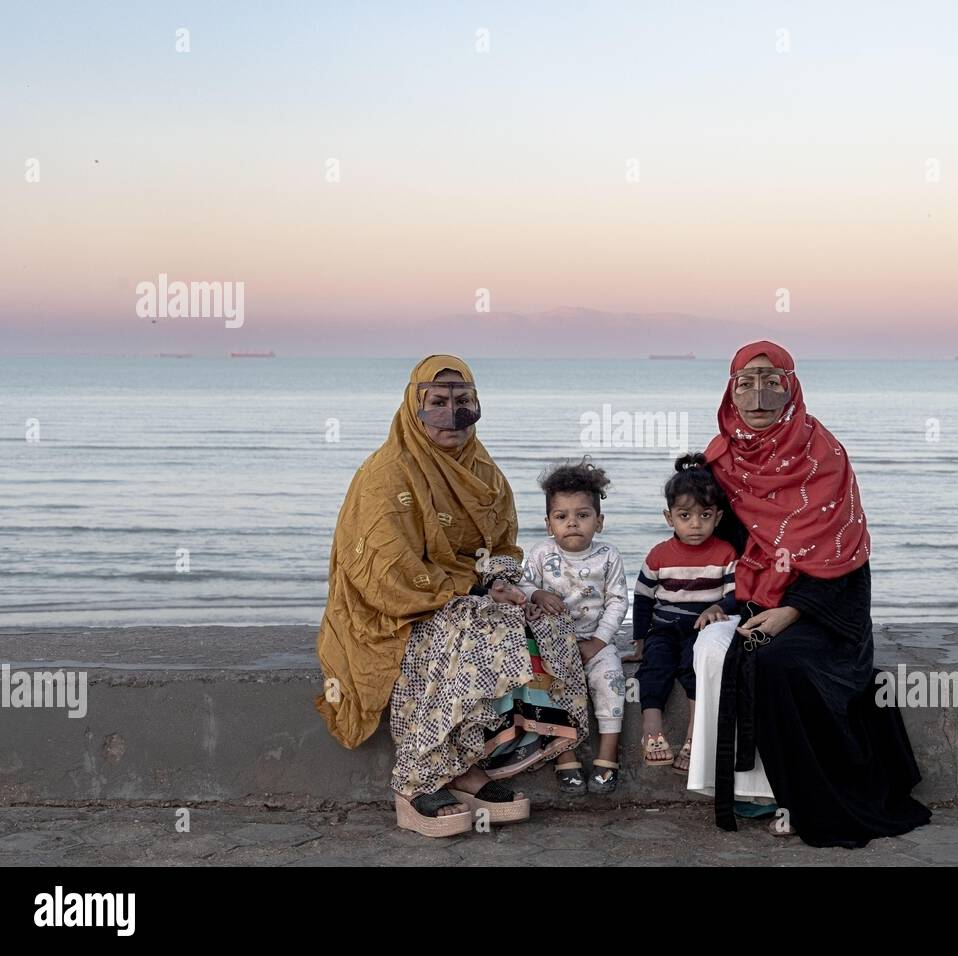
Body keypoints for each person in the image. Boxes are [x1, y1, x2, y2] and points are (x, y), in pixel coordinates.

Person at [315, 355, 589, 837]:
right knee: (475, 628)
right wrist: (470, 588)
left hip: (467, 590)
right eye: (438, 403)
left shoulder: (483, 470)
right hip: (398, 606)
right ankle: (416, 779)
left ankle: (466, 764)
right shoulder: (386, 477)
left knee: (541, 621)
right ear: (413, 407)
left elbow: (502, 546)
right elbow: (386, 572)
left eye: (464, 402)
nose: (453, 415)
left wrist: (505, 583)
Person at [686, 340, 932, 848]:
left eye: (770, 381)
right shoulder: (718, 461)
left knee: (781, 665)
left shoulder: (824, 457)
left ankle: (797, 796)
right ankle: (746, 790)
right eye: (744, 383)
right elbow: (712, 542)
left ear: (791, 386)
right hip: (754, 597)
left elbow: (846, 558)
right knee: (720, 650)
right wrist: (722, 601)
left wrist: (792, 612)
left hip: (825, 610)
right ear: (730, 391)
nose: (757, 396)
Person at [519, 459, 629, 794]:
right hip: (553, 643)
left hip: (596, 640)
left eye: (583, 515)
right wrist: (536, 592)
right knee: (550, 687)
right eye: (561, 516)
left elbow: (618, 602)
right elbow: (522, 587)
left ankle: (607, 756)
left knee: (611, 682)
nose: (572, 523)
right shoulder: (540, 554)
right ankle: (564, 755)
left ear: (599, 521)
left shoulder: (608, 556)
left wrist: (598, 642)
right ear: (549, 523)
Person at [633, 452, 738, 773]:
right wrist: (639, 641)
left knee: (694, 673)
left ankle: (693, 739)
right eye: (685, 516)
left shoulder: (725, 553)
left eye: (705, 515)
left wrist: (718, 607)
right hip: (664, 631)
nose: (695, 524)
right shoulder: (659, 555)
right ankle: (652, 733)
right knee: (654, 670)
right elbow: (643, 599)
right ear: (670, 518)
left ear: (718, 517)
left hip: (701, 632)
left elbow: (736, 595)